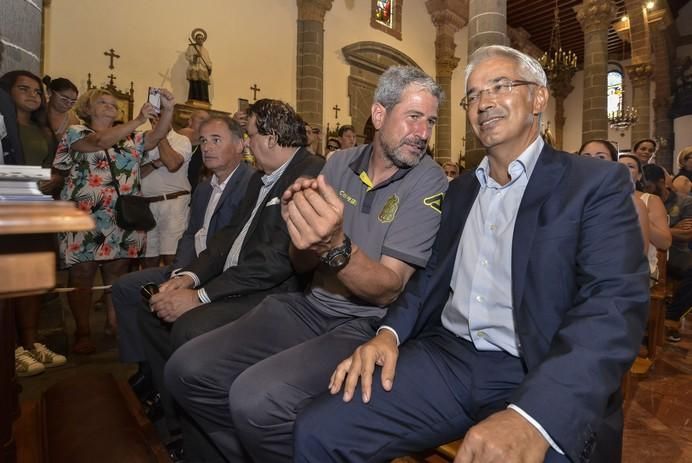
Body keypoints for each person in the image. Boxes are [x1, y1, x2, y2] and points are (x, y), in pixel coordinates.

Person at [294, 45, 649, 463]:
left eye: (500, 86)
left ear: (538, 98)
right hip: (448, 357)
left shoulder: (592, 184)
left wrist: (535, 417)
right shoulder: (461, 190)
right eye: (473, 95)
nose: (484, 103)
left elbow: (613, 306)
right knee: (318, 431)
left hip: (540, 366)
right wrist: (387, 335)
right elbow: (428, 279)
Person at [165, 65, 448, 462]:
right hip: (309, 304)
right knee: (185, 370)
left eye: (431, 121)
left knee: (255, 399)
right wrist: (299, 227)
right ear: (379, 115)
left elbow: (388, 287)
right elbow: (299, 264)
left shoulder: (428, 181)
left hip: (364, 323)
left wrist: (333, 244)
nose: (423, 133)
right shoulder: (339, 162)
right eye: (414, 117)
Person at [136, 99, 324, 461]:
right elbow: (227, 237)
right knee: (152, 306)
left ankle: (206, 445)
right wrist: (189, 277)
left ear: (270, 137)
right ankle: (176, 419)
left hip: (276, 294)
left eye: (250, 136)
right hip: (238, 279)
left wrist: (202, 297)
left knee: (189, 326)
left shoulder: (308, 174)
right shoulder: (261, 177)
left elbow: (274, 261)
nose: (247, 144)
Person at [112, 116, 254, 455]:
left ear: (240, 145)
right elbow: (191, 234)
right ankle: (147, 369)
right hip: (190, 268)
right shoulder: (204, 187)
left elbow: (229, 245)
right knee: (127, 287)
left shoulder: (251, 184)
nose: (207, 147)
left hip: (218, 276)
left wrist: (191, 282)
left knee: (163, 313)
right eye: (203, 141)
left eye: (216, 140)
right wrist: (179, 273)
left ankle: (174, 408)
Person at [49, 87, 175, 354]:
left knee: (116, 274)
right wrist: (139, 119)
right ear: (88, 109)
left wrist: (168, 108)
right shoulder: (76, 133)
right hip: (85, 215)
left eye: (113, 103)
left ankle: (113, 323)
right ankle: (82, 331)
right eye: (102, 102)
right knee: (83, 274)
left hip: (122, 216)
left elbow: (158, 135)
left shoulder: (130, 139)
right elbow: (99, 143)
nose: (109, 106)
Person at [1, 70, 66, 375]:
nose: (32, 95)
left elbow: (51, 167)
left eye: (37, 92)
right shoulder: (3, 127)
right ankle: (10, 348)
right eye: (23, 89)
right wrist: (34, 181)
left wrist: (53, 179)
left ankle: (30, 342)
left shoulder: (42, 130)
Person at [643, 163, 692, 343]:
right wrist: (672, 229)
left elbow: (687, 234)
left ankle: (672, 316)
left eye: (648, 186)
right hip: (649, 250)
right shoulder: (643, 200)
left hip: (676, 252)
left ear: (662, 182)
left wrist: (663, 231)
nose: (645, 189)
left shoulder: (684, 202)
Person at [139, 117, 193, 269]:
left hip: (173, 203)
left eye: (163, 114)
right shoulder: (143, 139)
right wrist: (157, 162)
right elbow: (135, 173)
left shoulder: (181, 140)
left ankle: (172, 291)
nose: (158, 117)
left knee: (172, 257)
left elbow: (172, 164)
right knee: (148, 260)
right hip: (145, 206)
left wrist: (160, 134)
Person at [579, 140, 651, 254]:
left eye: (601, 157)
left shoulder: (633, 205)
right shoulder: (568, 200)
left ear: (614, 164)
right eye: (586, 156)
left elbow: (639, 254)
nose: (592, 161)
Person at [618, 154, 671, 281]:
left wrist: (640, 217)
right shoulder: (600, 199)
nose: (623, 169)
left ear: (639, 176)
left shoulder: (650, 200)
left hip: (638, 270)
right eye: (619, 166)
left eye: (630, 166)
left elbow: (665, 243)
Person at [179, 110, 210, 193]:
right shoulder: (176, 140)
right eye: (201, 119)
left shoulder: (208, 147)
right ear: (190, 121)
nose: (205, 123)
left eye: (207, 121)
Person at [43, 75, 79, 143]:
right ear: (50, 92)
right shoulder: (36, 111)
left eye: (72, 102)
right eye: (64, 99)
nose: (68, 105)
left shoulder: (73, 121)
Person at [185, 30, 212, 103]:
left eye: (201, 39)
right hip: (195, 68)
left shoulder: (205, 50)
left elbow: (208, 61)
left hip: (203, 70)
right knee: (195, 84)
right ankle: (195, 99)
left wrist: (209, 67)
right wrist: (195, 56)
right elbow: (188, 57)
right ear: (196, 39)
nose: (200, 40)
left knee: (203, 85)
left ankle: (204, 100)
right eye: (198, 38)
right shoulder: (191, 48)